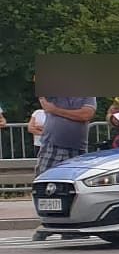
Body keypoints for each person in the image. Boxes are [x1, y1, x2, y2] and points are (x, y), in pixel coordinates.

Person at [32, 90, 97, 241]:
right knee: (45, 186)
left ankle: (70, 225)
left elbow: (86, 115)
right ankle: (47, 223)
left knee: (73, 189)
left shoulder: (87, 93)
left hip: (77, 147)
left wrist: (55, 110)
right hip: (52, 145)